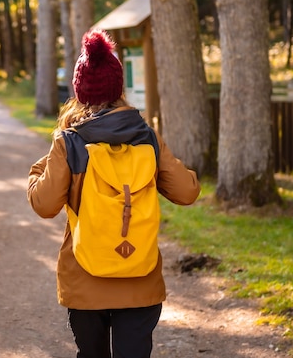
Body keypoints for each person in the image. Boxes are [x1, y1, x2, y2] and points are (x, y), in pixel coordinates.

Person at [27, 29, 201, 358]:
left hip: (85, 280)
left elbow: (45, 204)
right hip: (140, 279)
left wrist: (38, 172)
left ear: (79, 92)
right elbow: (187, 191)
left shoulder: (69, 142)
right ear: (118, 89)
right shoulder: (147, 138)